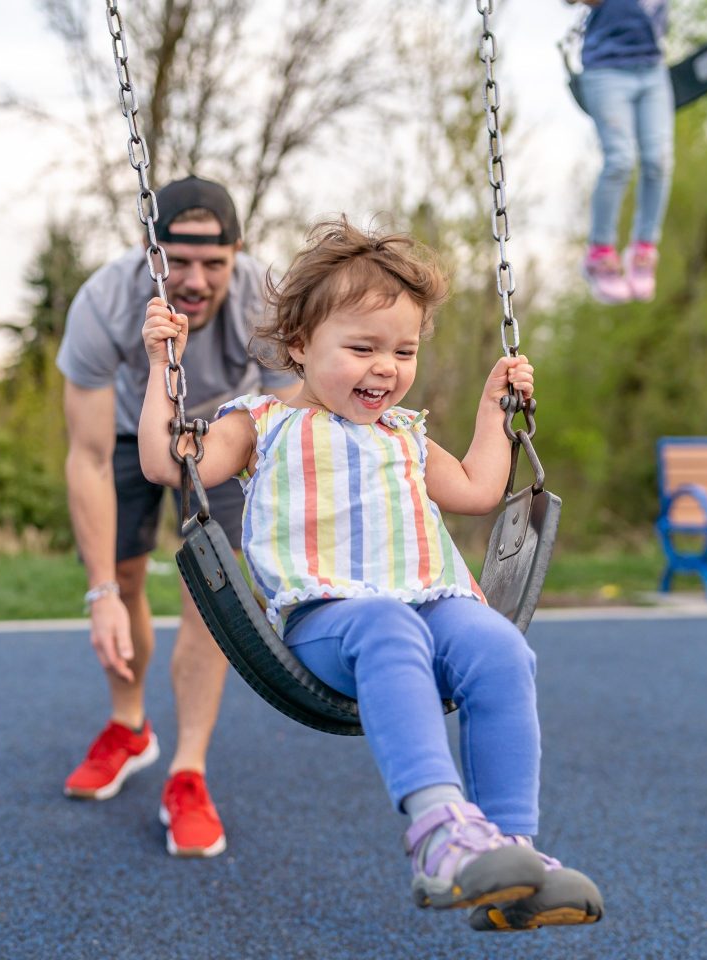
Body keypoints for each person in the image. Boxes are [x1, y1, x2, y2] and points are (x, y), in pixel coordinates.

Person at [137, 219, 604, 930]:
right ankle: (438, 833)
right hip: (331, 619)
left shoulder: (406, 435)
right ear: (299, 346)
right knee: (388, 628)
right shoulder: (260, 423)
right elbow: (169, 464)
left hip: (432, 602)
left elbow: (481, 489)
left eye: (403, 350)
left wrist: (493, 411)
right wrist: (158, 367)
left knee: (501, 647)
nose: (386, 366)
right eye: (362, 348)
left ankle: (510, 856)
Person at [55, 176, 300, 858]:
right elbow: (89, 456)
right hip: (137, 431)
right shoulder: (104, 301)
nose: (193, 281)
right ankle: (129, 727)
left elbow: (295, 423)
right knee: (124, 580)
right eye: (177, 262)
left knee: (211, 594)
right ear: (148, 250)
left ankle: (187, 771)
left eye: (212, 264)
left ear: (238, 254)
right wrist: (100, 588)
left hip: (225, 430)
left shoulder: (266, 301)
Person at [570, 0, 673, 304]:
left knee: (659, 160)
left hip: (653, 68)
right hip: (607, 67)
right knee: (620, 159)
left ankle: (644, 250)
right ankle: (599, 253)